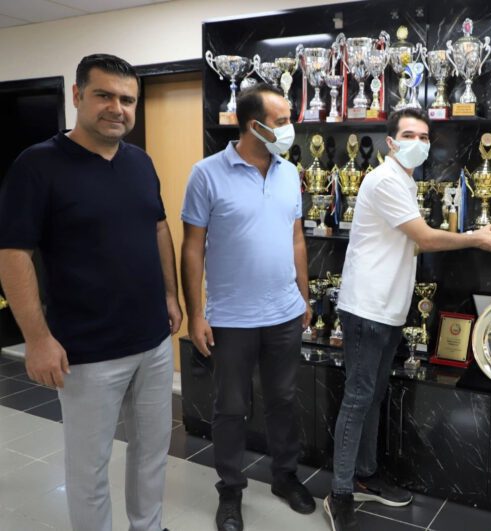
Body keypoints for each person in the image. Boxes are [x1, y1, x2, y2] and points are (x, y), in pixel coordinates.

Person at [0, 54, 181, 531]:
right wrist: (37, 339)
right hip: (86, 352)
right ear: (77, 95)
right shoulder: (37, 165)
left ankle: (149, 526)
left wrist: (171, 296)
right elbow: (13, 254)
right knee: (89, 470)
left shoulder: (140, 162)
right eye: (104, 95)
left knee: (152, 453)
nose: (117, 108)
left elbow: (158, 228)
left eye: (127, 100)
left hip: (153, 343)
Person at [324, 108, 491, 531]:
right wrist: (474, 238)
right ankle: (339, 493)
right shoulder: (385, 180)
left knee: (373, 396)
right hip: (367, 308)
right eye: (409, 135)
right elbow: (425, 237)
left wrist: (467, 235)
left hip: (388, 307)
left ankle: (365, 474)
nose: (418, 142)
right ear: (391, 142)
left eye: (425, 136)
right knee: (358, 398)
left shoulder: (404, 182)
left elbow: (415, 241)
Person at [181, 82, 315, 531]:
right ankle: (231, 491)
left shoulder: (289, 173)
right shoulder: (206, 174)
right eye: (282, 121)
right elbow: (192, 248)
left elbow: (296, 239)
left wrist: (304, 296)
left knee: (284, 400)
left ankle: (285, 476)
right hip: (232, 317)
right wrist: (196, 313)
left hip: (284, 313)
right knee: (231, 407)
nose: (289, 128)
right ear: (253, 125)